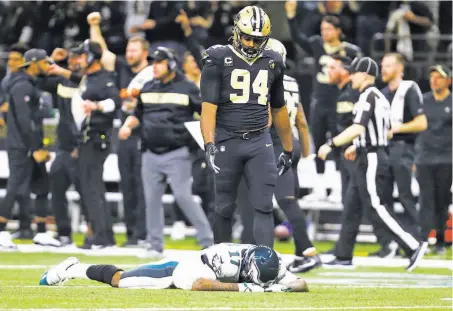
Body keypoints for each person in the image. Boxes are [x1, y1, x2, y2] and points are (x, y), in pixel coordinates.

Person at [317, 57, 428, 272]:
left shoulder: (369, 96)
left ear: (366, 74)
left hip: (372, 157)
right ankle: (343, 254)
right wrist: (357, 146)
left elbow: (358, 128)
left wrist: (331, 144)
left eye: (355, 73)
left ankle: (413, 245)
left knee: (376, 206)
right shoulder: (376, 96)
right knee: (352, 206)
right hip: (367, 153)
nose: (351, 78)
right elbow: (375, 130)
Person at [200, 6, 294, 249]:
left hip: (258, 141)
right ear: (236, 32)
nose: (251, 44)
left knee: (263, 205)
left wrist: (288, 148)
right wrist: (209, 143)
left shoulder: (273, 61)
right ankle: (220, 262)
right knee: (224, 207)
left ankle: (266, 263)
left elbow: (279, 108)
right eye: (247, 37)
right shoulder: (217, 58)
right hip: (226, 140)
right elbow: (208, 107)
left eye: (258, 40)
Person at [119, 47, 214, 258]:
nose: (154, 66)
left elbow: (206, 113)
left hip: (177, 152)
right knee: (151, 199)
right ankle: (154, 245)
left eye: (159, 62)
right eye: (153, 62)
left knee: (183, 196)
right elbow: (138, 113)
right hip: (150, 152)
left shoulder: (187, 87)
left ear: (170, 64)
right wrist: (127, 126)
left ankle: (208, 241)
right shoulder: (148, 87)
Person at [238, 38, 320, 273]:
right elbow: (302, 122)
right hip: (289, 143)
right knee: (284, 199)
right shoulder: (292, 81)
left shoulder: (266, 80)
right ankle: (302, 249)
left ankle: (305, 250)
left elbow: (266, 118)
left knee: (274, 200)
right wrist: (305, 155)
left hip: (271, 143)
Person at [285, 1, 362, 202]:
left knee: (337, 142)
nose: (325, 32)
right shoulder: (317, 44)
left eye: (328, 29)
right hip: (319, 101)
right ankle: (319, 188)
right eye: (322, 29)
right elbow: (297, 38)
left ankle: (337, 187)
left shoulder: (351, 51)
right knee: (318, 142)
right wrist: (291, 17)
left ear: (338, 30)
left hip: (340, 103)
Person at [88, 11, 148, 247]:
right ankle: (133, 234)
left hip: (145, 135)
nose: (129, 54)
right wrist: (94, 26)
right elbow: (102, 53)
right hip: (124, 136)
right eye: (128, 50)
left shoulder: (152, 73)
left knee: (143, 186)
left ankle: (143, 234)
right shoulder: (123, 69)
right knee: (128, 186)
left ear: (145, 53)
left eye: (134, 50)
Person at [39, 243, 308, 292]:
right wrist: (245, 288)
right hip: (184, 268)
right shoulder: (228, 261)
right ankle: (72, 268)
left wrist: (281, 289)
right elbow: (200, 284)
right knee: (121, 280)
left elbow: (301, 283)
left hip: (199, 270)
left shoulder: (270, 260)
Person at [0, 49, 60, 248]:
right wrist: (34, 148)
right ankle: (0, 232)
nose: (47, 66)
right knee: (15, 186)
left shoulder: (32, 83)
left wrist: (40, 146)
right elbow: (24, 121)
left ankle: (41, 232)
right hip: (21, 147)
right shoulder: (21, 86)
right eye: (45, 62)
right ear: (34, 63)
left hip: (34, 145)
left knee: (42, 186)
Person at [71, 39, 122, 249]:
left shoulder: (103, 78)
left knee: (92, 188)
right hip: (86, 139)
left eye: (82, 55)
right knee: (88, 187)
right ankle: (100, 235)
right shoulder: (87, 78)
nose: (79, 59)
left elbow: (115, 101)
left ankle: (102, 237)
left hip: (96, 139)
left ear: (91, 56)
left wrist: (97, 105)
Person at [34, 47, 87, 246]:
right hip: (64, 147)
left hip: (84, 146)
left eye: (78, 58)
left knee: (87, 192)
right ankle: (64, 234)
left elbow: (82, 81)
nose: (74, 62)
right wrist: (49, 61)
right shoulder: (61, 81)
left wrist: (63, 69)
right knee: (56, 190)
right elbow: (37, 81)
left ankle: (95, 234)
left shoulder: (90, 80)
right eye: (71, 58)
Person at [378, 53, 427, 256]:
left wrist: (397, 128)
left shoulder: (409, 88)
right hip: (384, 149)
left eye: (388, 66)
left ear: (399, 68)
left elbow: (421, 123)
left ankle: (418, 240)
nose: (384, 69)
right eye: (383, 65)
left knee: (406, 197)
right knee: (384, 198)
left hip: (403, 148)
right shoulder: (381, 93)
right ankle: (392, 244)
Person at [415, 65, 452, 255]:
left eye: (439, 77)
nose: (434, 80)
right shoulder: (423, 100)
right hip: (424, 158)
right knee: (425, 199)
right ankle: (422, 239)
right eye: (432, 77)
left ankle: (439, 240)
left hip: (447, 158)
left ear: (449, 81)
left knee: (442, 200)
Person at [0, 43, 33, 240]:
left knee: (18, 184)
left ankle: (2, 225)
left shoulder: (22, 83)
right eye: (10, 59)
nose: (11, 63)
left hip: (21, 140)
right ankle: (25, 225)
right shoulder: (8, 80)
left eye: (15, 60)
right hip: (15, 139)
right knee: (21, 185)